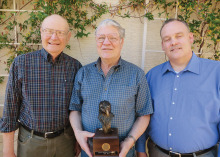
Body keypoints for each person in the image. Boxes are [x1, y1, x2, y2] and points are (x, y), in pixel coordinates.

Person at [0, 14, 82, 157]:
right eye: (49, 31)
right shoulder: (21, 64)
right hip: (30, 142)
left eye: (60, 32)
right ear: (41, 33)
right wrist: (7, 150)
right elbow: (10, 110)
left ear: (68, 37)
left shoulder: (75, 66)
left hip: (65, 141)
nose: (54, 37)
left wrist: (77, 139)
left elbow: (78, 108)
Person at [69, 19, 153, 157]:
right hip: (89, 151)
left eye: (112, 38)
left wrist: (130, 141)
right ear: (96, 41)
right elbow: (75, 109)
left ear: (122, 42)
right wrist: (78, 133)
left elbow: (144, 114)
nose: (106, 42)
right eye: (101, 38)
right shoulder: (83, 73)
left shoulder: (136, 74)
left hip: (123, 151)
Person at [136, 18, 220, 157]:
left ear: (190, 37)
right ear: (163, 45)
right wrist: (140, 149)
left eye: (178, 36)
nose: (173, 42)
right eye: (167, 39)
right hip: (158, 153)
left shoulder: (216, 72)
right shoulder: (152, 76)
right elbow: (143, 114)